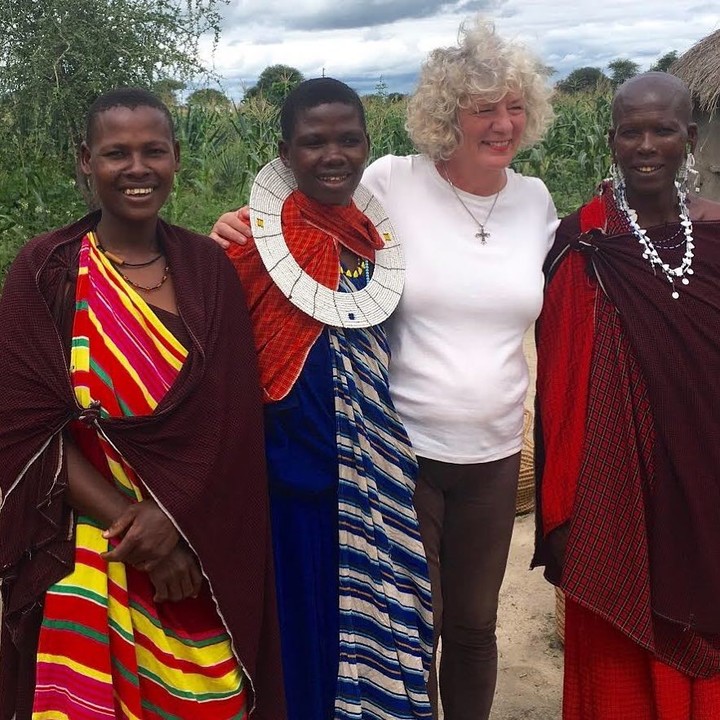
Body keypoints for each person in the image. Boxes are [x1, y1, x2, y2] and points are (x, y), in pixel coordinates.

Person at [211, 19, 558, 720]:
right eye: (484, 107)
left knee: (473, 626)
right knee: (403, 623)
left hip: (494, 457)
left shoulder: (537, 202)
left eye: (515, 105)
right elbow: (310, 217)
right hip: (398, 454)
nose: (503, 123)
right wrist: (239, 228)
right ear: (446, 113)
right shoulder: (390, 182)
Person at [0, 88, 284, 720]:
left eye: (153, 150)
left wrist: (176, 527)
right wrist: (141, 528)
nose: (137, 168)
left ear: (176, 158)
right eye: (115, 153)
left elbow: (232, 422)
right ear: (85, 160)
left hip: (197, 549)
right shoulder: (46, 270)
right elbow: (23, 431)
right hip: (86, 544)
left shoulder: (209, 269)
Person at [223, 77, 433, 720]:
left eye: (348, 139)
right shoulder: (249, 244)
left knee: (380, 604)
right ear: (285, 152)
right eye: (314, 142)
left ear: (369, 144)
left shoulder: (374, 237)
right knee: (299, 624)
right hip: (285, 470)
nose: (333, 154)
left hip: (371, 462)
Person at [534, 71, 720, 719]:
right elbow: (557, 392)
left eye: (662, 130)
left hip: (707, 478)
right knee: (619, 659)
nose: (646, 145)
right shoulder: (582, 243)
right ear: (611, 140)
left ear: (688, 138)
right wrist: (561, 506)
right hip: (615, 486)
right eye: (631, 131)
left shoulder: (718, 235)